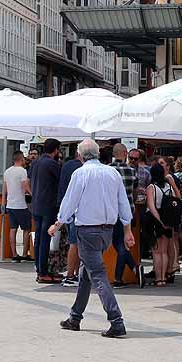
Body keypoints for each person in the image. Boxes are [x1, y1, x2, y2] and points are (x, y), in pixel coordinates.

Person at [52, 139, 134, 338]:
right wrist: (127, 230)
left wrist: (58, 223)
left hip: (88, 231)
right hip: (107, 232)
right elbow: (123, 202)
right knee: (86, 274)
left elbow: (70, 200)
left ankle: (116, 320)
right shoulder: (112, 172)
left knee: (96, 274)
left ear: (80, 156)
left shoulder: (80, 173)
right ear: (97, 154)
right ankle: (75, 317)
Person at [106, 144, 140, 287]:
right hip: (128, 210)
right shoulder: (132, 171)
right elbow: (135, 192)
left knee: (118, 244)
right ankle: (134, 269)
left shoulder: (107, 170)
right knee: (122, 243)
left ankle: (119, 277)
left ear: (114, 154)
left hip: (111, 211)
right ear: (125, 153)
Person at [30, 138, 62, 283]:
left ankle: (39, 268)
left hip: (36, 204)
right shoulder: (52, 164)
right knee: (45, 239)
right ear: (55, 150)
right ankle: (43, 272)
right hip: (48, 205)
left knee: (38, 239)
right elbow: (59, 182)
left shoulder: (35, 162)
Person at [145, 163, 176, 287]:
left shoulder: (151, 187)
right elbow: (174, 202)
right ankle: (163, 278)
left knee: (156, 252)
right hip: (168, 219)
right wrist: (166, 222)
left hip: (155, 220)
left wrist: (159, 221)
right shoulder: (169, 186)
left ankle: (158, 279)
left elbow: (151, 207)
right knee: (164, 252)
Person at [57, 148, 84, 287]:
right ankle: (70, 275)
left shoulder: (67, 165)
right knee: (75, 243)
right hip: (75, 209)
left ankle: (73, 273)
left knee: (74, 242)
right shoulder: (80, 168)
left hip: (67, 208)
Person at [2, 151, 31, 262]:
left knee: (13, 229)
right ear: (21, 159)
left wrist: (4, 203)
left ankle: (14, 254)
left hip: (10, 204)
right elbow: (25, 185)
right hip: (21, 204)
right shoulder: (22, 171)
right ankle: (24, 253)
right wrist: (31, 193)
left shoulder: (7, 171)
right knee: (26, 229)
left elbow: (4, 189)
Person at [157, 156, 181, 277]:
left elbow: (177, 195)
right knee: (168, 241)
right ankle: (169, 268)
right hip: (168, 211)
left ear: (168, 166)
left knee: (169, 242)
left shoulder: (168, 177)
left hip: (169, 211)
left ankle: (170, 268)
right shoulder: (163, 178)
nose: (159, 165)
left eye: (162, 163)